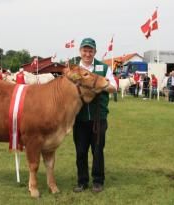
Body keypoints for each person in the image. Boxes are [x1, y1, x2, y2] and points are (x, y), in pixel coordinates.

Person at [73, 38, 117, 193]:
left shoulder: (103, 67)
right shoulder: (74, 69)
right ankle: (82, 181)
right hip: (79, 117)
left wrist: (100, 86)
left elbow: (114, 87)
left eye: (90, 50)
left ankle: (98, 181)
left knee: (97, 150)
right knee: (80, 151)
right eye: (85, 50)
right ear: (80, 51)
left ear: (95, 52)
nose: (87, 53)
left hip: (99, 117)